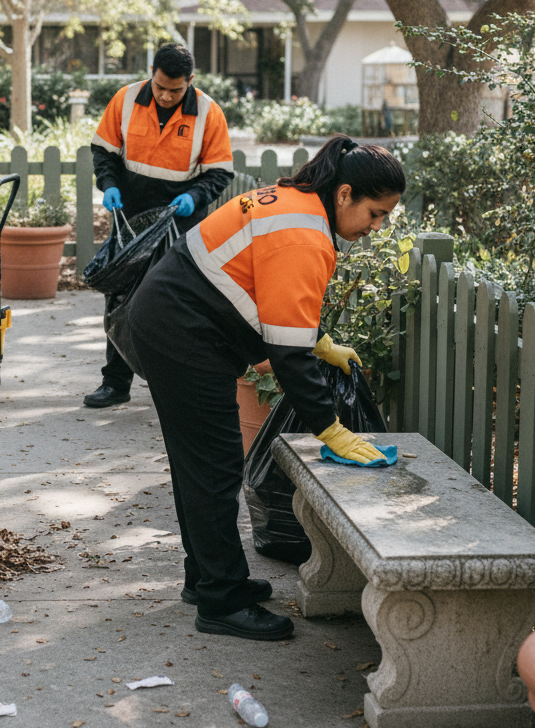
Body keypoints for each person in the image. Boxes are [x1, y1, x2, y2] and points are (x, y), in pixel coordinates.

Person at [123, 135, 405, 640]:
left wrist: (318, 343)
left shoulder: (296, 205)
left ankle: (207, 575)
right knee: (213, 464)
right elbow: (287, 357)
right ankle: (221, 600)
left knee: (201, 462)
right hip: (181, 332)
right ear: (344, 195)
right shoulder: (304, 232)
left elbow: (269, 297)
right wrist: (331, 431)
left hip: (170, 317)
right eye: (376, 213)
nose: (377, 227)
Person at [85, 42, 234, 408]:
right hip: (132, 219)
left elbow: (219, 172)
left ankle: (172, 386)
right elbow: (103, 150)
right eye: (160, 87)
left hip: (180, 223)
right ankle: (116, 384)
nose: (166, 96)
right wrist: (110, 185)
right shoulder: (125, 99)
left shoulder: (208, 113)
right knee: (120, 298)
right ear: (151, 74)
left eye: (175, 89)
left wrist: (194, 198)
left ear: (191, 82)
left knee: (172, 305)